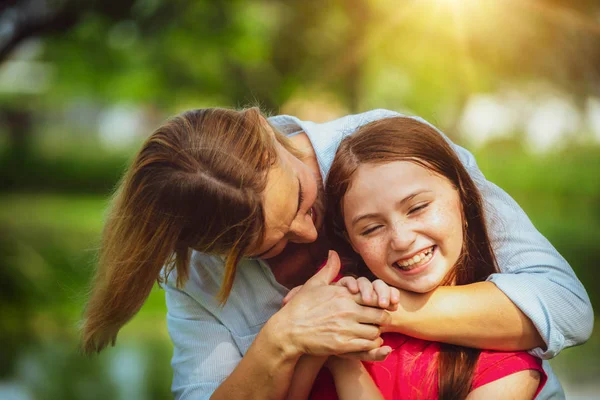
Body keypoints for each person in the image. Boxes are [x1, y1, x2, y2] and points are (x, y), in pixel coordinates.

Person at [80, 107, 592, 399]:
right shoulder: (193, 272)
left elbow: (565, 305)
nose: (306, 235)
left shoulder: (386, 153)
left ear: (266, 129)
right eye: (271, 245)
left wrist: (365, 310)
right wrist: (280, 340)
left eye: (303, 199)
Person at [284, 116, 550, 399]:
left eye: (417, 208)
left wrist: (346, 365)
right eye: (372, 228)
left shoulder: (509, 361)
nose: (402, 239)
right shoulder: (331, 303)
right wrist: (313, 330)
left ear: (462, 196)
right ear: (351, 240)